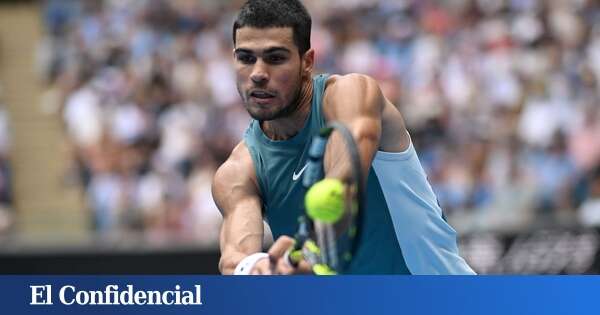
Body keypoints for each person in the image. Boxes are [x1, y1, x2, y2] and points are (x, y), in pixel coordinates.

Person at [212, 0, 475, 275]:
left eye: (275, 58)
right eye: (245, 58)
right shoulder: (238, 171)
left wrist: (310, 253)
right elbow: (234, 259)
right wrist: (258, 267)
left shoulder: (351, 95)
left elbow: (342, 186)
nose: (257, 74)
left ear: (307, 62)